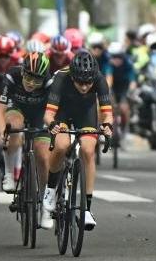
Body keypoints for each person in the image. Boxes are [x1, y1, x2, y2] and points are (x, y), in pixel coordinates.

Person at [42, 50, 113, 232]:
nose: (84, 87)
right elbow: (49, 114)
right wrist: (52, 125)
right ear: (72, 76)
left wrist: (107, 126)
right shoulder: (61, 78)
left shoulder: (99, 78)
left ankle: (87, 209)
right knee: (61, 145)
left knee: (89, 150)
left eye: (88, 83)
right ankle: (50, 190)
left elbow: (107, 113)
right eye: (80, 82)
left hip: (86, 113)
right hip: (62, 113)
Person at [0, 51, 52, 223]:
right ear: (22, 71)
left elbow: (54, 112)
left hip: (39, 115)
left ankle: (45, 203)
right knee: (15, 127)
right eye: (28, 77)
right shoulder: (12, 75)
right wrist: (1, 133)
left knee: (43, 155)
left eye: (37, 80)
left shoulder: (50, 83)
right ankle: (9, 173)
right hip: (17, 109)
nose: (31, 83)